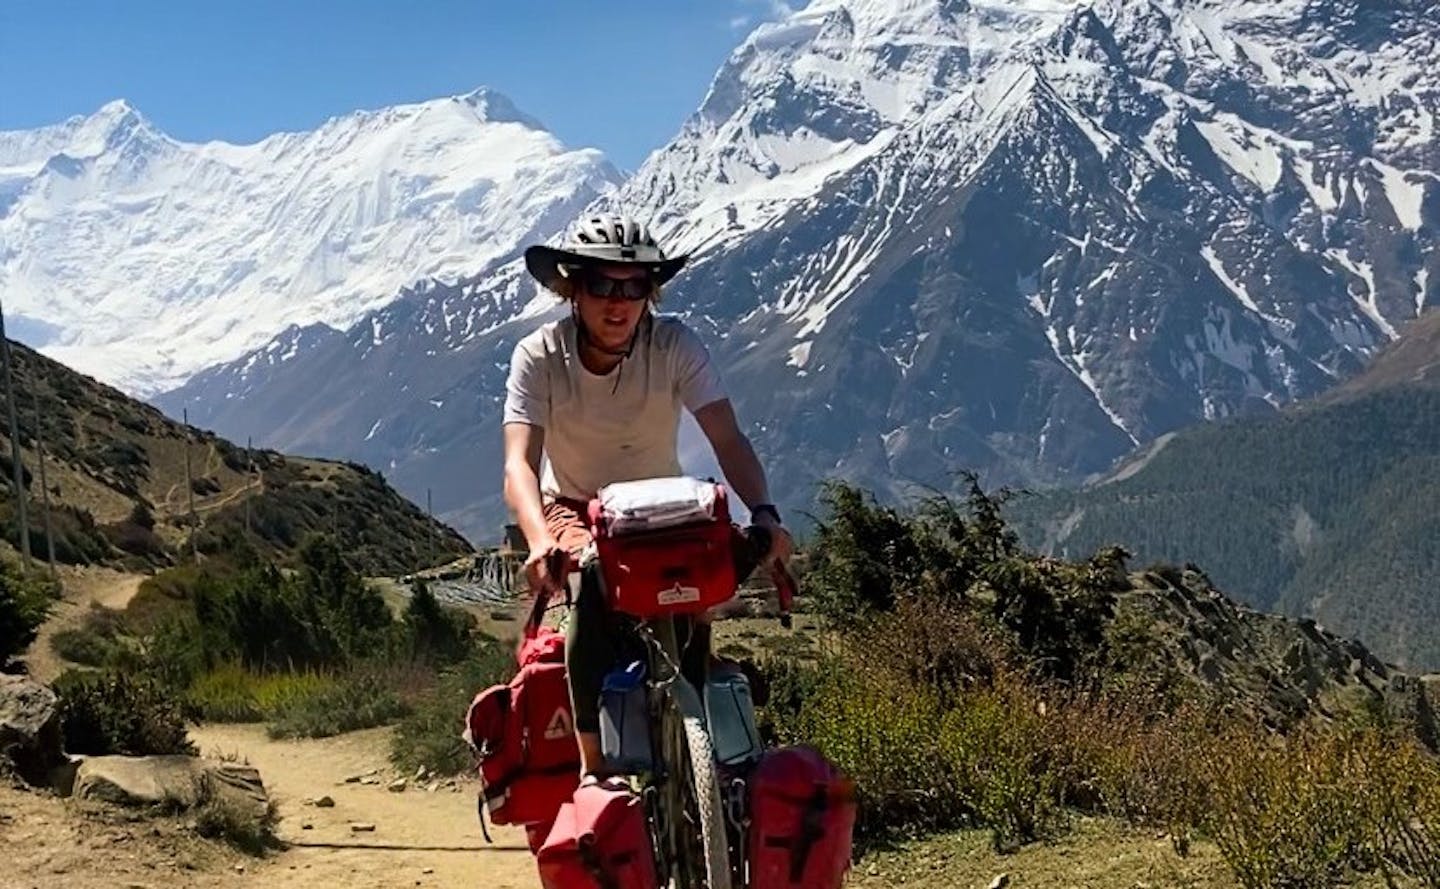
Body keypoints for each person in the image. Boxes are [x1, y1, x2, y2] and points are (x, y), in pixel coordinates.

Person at [503, 213, 793, 776]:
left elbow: (727, 438)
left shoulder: (675, 345)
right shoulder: (539, 356)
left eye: (634, 287)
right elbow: (519, 463)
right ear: (572, 289)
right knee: (588, 587)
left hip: (666, 506)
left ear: (650, 293)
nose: (619, 302)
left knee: (707, 589)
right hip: (576, 506)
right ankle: (595, 767)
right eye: (602, 285)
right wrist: (541, 541)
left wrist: (764, 512)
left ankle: (704, 743)